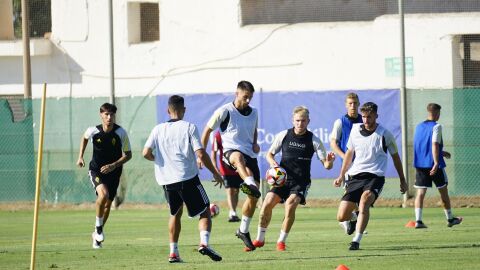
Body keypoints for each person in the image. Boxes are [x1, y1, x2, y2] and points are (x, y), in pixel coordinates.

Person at [143, 95, 224, 263]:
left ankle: (173, 253)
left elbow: (145, 153)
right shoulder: (189, 127)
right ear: (184, 110)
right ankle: (204, 244)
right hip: (187, 178)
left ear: (168, 110)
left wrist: (158, 160)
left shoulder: (157, 129)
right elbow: (200, 153)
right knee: (205, 211)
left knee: (175, 214)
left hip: (166, 181)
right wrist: (215, 172)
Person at [252, 106, 335, 251]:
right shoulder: (284, 135)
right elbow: (269, 154)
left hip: (300, 182)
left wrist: (330, 161)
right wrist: (274, 164)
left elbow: (327, 166)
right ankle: (260, 239)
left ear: (308, 121)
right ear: (293, 120)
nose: (300, 123)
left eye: (303, 121)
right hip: (282, 180)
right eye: (297, 120)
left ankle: (281, 241)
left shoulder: (314, 140)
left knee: (290, 204)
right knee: (267, 203)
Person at [333, 102, 408, 251]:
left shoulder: (385, 134)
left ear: (376, 116)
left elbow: (395, 157)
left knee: (364, 202)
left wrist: (402, 180)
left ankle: (356, 240)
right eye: (364, 117)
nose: (366, 120)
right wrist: (341, 175)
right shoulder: (355, 130)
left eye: (369, 117)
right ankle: (353, 219)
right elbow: (349, 154)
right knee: (341, 216)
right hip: (355, 177)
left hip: (375, 177)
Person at [200, 80, 261, 251]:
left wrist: (255, 143)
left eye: (250, 98)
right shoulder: (224, 111)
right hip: (231, 152)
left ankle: (243, 230)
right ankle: (248, 183)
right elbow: (206, 131)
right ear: (237, 93)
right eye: (245, 97)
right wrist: (200, 154)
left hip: (250, 153)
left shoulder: (254, 112)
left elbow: (254, 128)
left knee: (254, 197)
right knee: (238, 158)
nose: (248, 101)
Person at [76, 103, 132, 249]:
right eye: (106, 114)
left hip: (114, 173)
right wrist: (80, 156)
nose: (109, 117)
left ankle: (96, 232)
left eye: (112, 114)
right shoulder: (93, 130)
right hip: (96, 170)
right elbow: (85, 137)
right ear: (101, 115)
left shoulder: (121, 133)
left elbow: (128, 155)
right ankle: (99, 229)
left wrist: (114, 165)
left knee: (107, 205)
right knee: (103, 195)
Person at [412, 103, 462, 229]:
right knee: (443, 191)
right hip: (435, 165)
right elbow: (434, 144)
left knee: (420, 193)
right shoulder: (437, 126)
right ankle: (450, 219)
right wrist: (436, 161)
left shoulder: (418, 127)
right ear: (437, 113)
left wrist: (442, 152)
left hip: (420, 165)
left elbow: (422, 145)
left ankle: (418, 221)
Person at [329, 92, 363, 235]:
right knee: (353, 196)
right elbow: (333, 143)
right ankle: (348, 220)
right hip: (349, 167)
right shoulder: (340, 122)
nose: (353, 106)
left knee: (361, 198)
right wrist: (345, 156)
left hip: (364, 165)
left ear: (359, 104)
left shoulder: (364, 121)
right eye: (350, 103)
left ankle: (354, 219)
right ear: (346, 105)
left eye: (355, 103)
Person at [211, 131, 242, 222]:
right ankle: (232, 212)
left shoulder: (237, 132)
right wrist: (215, 168)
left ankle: (234, 212)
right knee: (230, 190)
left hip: (238, 167)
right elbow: (214, 152)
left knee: (236, 191)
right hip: (225, 169)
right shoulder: (218, 135)